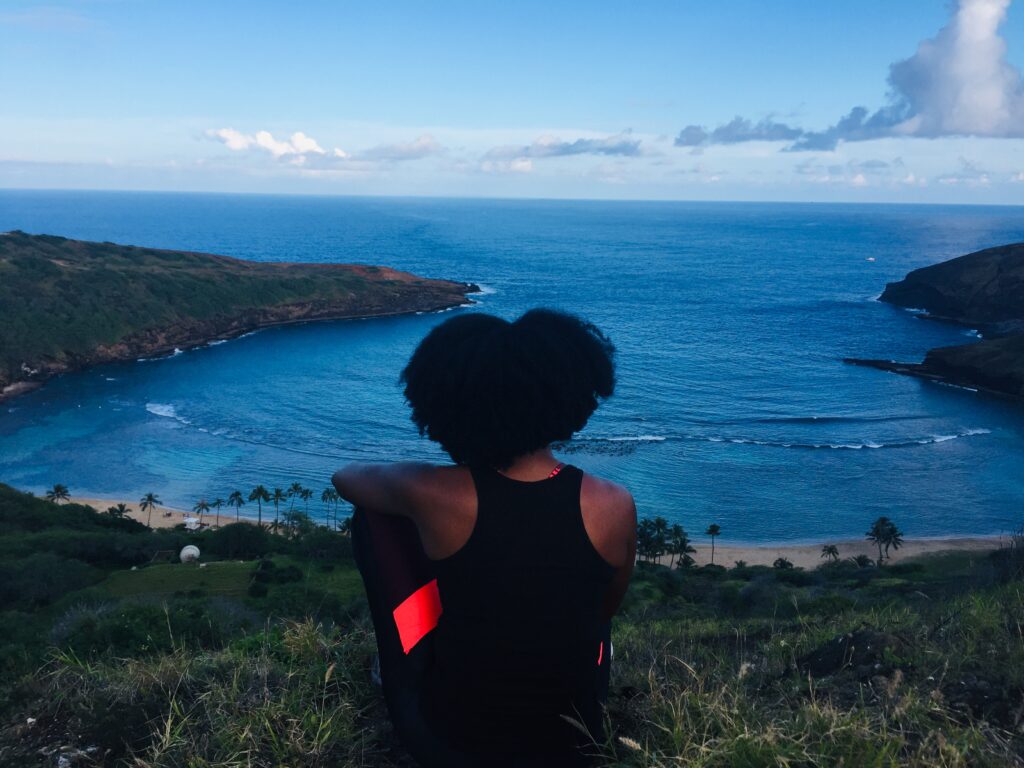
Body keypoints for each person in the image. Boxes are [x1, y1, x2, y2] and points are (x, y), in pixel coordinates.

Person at [333, 308, 637, 767]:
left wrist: (427, 473)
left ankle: (412, 651)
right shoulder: (613, 504)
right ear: (568, 399)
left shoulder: (429, 492)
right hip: (574, 743)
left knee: (373, 518)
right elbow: (603, 611)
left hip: (452, 744)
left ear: (444, 405)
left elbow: (346, 478)